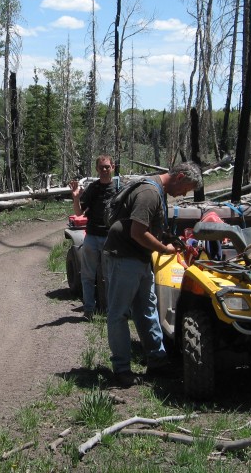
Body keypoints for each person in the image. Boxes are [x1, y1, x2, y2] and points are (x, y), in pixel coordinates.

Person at [103, 162, 203, 387]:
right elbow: (137, 232)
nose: (184, 193)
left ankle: (157, 361)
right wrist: (164, 249)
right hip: (124, 257)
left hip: (139, 258)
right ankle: (122, 370)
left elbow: (150, 228)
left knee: (147, 309)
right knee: (118, 314)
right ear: (178, 176)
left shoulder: (158, 191)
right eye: (186, 187)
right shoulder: (149, 193)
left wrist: (171, 240)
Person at [69, 154, 117, 321]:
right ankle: (89, 310)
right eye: (101, 167)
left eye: (107, 167)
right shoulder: (93, 188)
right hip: (92, 237)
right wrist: (76, 198)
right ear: (97, 169)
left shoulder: (119, 188)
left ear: (113, 167)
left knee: (109, 277)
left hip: (110, 239)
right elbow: (78, 213)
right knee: (88, 275)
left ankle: (111, 312)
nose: (104, 170)